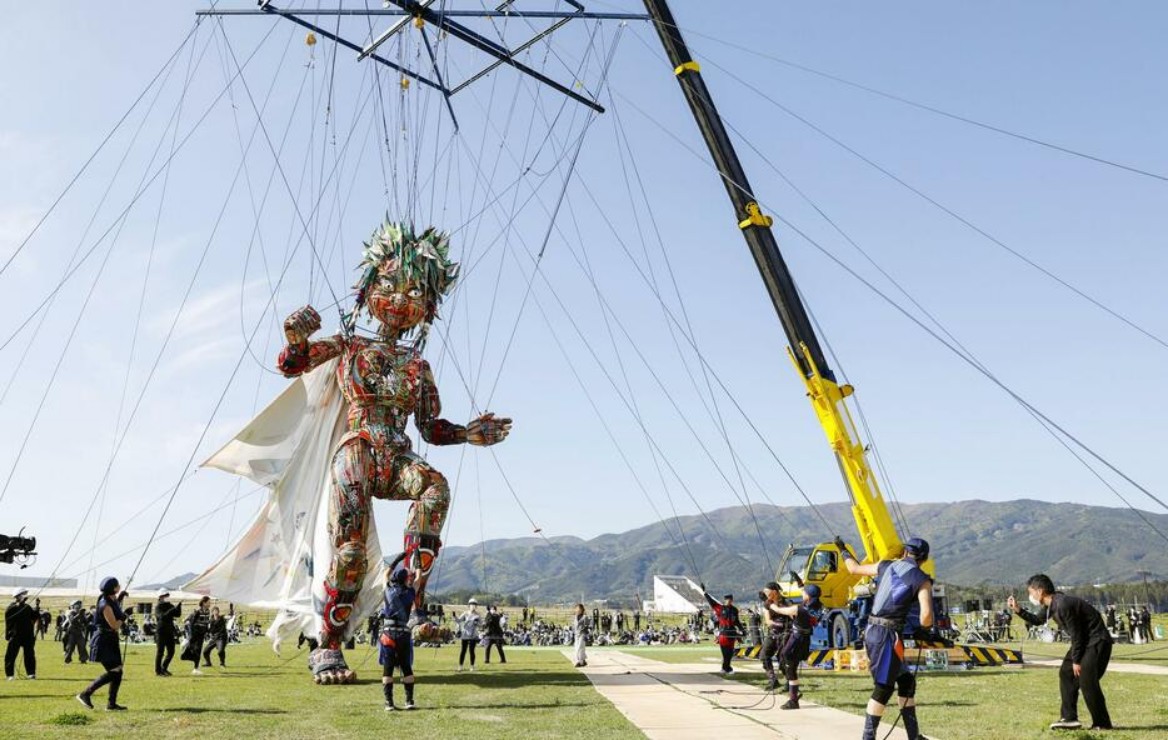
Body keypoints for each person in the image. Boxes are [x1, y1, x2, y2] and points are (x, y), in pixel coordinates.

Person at [838, 536, 934, 740]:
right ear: (924, 558)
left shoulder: (885, 565)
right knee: (883, 687)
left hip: (874, 631)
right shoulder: (922, 579)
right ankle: (868, 737)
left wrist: (843, 550)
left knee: (907, 681)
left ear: (905, 552)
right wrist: (924, 628)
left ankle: (914, 736)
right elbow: (926, 616)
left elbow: (854, 569)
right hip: (888, 635)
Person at [1009, 574, 1113, 731]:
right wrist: (1018, 610)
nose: (1030, 596)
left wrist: (1077, 661)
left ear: (1040, 591)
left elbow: (1077, 634)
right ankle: (1069, 718)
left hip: (1097, 641)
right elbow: (1037, 620)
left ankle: (1102, 723)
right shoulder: (1052, 605)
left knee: (1087, 681)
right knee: (1066, 673)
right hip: (1084, 642)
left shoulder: (1063, 604)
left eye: (1031, 592)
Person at [76, 576, 131, 711]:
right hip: (103, 640)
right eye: (118, 585)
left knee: (118, 671)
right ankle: (85, 693)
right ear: (113, 588)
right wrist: (125, 616)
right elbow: (114, 625)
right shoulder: (104, 604)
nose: (119, 586)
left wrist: (121, 598)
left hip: (111, 640)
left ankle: (111, 704)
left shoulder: (111, 600)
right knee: (115, 671)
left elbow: (115, 607)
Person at [766, 584, 822, 710]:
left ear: (808, 596)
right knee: (792, 667)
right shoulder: (818, 607)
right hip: (805, 640)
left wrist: (770, 604)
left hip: (796, 640)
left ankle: (793, 699)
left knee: (789, 665)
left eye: (804, 592)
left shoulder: (799, 609)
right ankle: (793, 696)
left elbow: (781, 611)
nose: (802, 593)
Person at [378, 566, 417, 709]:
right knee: (406, 667)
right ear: (405, 579)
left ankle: (389, 703)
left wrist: (396, 561)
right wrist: (417, 567)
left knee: (388, 669)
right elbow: (417, 579)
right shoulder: (410, 592)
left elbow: (385, 574)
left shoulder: (387, 591)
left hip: (388, 634)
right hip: (403, 634)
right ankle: (409, 701)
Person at [700, 583, 744, 675]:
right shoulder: (720, 608)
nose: (728, 601)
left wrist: (742, 630)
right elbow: (711, 602)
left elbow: (737, 622)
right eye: (726, 600)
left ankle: (725, 668)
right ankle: (727, 668)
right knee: (725, 653)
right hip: (723, 634)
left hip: (732, 633)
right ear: (724, 600)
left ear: (732, 600)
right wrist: (705, 592)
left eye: (729, 600)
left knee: (730, 653)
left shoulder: (735, 610)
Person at [4, 587, 38, 680]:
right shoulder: (11, 608)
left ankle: (31, 673)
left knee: (30, 655)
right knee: (11, 656)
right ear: (18, 596)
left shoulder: (27, 607)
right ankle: (10, 675)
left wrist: (37, 608)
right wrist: (8, 635)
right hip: (15, 635)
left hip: (27, 635)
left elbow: (34, 617)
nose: (26, 596)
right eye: (24, 594)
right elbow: (8, 621)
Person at [182, 596, 212, 675]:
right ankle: (186, 651)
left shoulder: (208, 611)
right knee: (196, 650)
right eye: (208, 602)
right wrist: (191, 634)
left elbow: (206, 622)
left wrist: (207, 631)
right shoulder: (197, 611)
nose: (210, 604)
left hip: (201, 634)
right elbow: (190, 622)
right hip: (195, 634)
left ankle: (195, 668)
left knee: (198, 650)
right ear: (204, 603)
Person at [154, 590, 181, 676]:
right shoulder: (157, 607)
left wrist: (178, 607)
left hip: (169, 631)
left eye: (167, 595)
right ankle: (158, 671)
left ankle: (164, 668)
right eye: (164, 596)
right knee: (160, 652)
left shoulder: (170, 605)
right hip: (161, 631)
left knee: (171, 651)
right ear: (160, 597)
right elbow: (162, 617)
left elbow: (177, 614)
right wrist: (172, 610)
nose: (166, 597)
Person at [455, 599, 482, 672]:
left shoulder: (478, 615)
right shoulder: (465, 613)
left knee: (472, 651)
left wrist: (477, 623)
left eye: (474, 605)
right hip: (465, 635)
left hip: (473, 635)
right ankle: (460, 666)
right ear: (468, 605)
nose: (473, 606)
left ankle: (472, 666)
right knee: (463, 651)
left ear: (476, 606)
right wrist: (454, 616)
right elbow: (458, 621)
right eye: (471, 604)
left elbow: (481, 625)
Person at [63, 600, 89, 665]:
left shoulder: (82, 613)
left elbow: (86, 623)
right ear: (73, 606)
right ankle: (67, 660)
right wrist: (78, 615)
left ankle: (83, 660)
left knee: (82, 646)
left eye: (79, 605)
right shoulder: (70, 613)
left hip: (79, 633)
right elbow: (72, 621)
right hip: (72, 633)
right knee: (70, 647)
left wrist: (84, 616)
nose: (78, 606)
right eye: (77, 605)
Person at [573, 603, 591, 668]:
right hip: (576, 634)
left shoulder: (585, 617)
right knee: (577, 648)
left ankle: (579, 661)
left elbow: (587, 625)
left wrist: (584, 631)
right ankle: (583, 661)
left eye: (578, 608)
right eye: (576, 608)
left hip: (582, 634)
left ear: (581, 609)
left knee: (580, 648)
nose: (577, 610)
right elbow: (574, 626)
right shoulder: (575, 617)